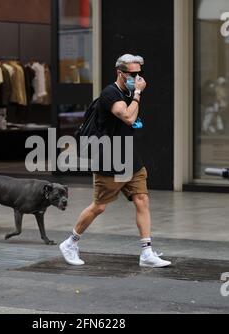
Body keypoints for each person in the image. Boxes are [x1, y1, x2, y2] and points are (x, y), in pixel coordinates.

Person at [59, 54, 171, 268]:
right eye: (133, 74)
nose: (138, 78)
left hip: (130, 157)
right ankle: (70, 242)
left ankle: (146, 252)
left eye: (140, 73)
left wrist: (135, 94)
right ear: (120, 73)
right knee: (99, 206)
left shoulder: (129, 92)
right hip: (110, 159)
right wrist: (138, 94)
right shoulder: (110, 94)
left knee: (142, 199)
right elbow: (128, 117)